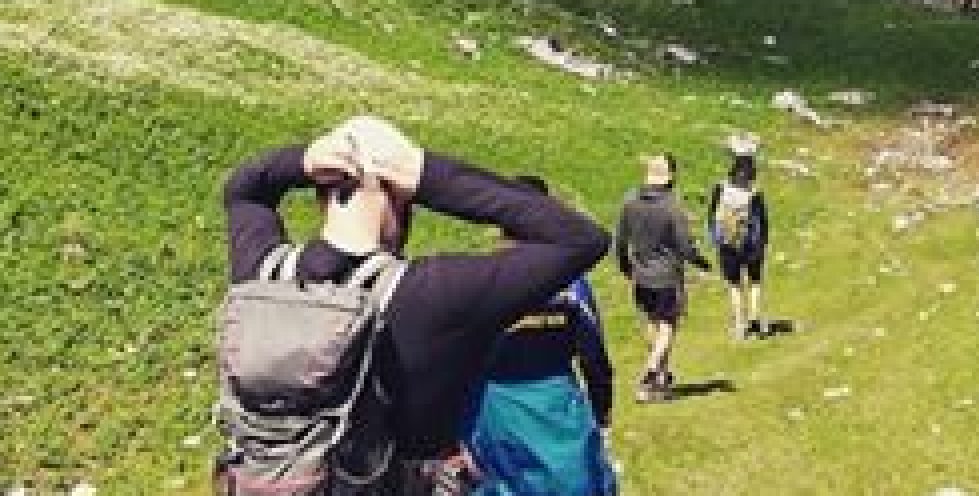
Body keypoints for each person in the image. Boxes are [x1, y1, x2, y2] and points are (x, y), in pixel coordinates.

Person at [219, 117, 610, 494]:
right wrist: (428, 174)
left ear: (320, 186)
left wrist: (301, 160)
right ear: (399, 190)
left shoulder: (262, 272)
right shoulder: (429, 294)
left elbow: (244, 189)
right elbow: (580, 240)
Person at [463, 176, 617, 496]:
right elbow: (593, 355)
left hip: (492, 412)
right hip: (554, 409)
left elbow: (455, 356)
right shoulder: (569, 283)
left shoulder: (477, 278)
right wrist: (602, 413)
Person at [614, 152, 710, 404]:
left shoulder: (630, 201)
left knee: (652, 323)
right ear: (671, 177)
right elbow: (685, 245)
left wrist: (626, 267)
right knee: (667, 326)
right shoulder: (671, 206)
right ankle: (650, 374)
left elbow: (620, 240)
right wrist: (701, 262)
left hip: (641, 275)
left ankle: (661, 380)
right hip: (666, 277)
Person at [706, 133, 770, 340]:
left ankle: (739, 325)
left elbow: (712, 214)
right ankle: (754, 321)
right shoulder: (755, 192)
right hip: (752, 243)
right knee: (754, 281)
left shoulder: (720, 188)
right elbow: (762, 220)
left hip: (728, 242)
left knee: (734, 284)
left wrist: (715, 238)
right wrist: (763, 242)